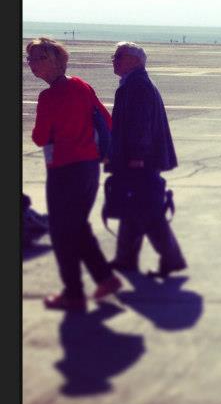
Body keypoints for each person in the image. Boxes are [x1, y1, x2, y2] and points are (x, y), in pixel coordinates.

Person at [26, 37, 123, 311]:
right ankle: (105, 278)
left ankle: (74, 294)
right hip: (88, 167)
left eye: (40, 58)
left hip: (64, 170)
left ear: (57, 60)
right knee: (77, 226)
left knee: (61, 233)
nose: (32, 64)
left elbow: (39, 137)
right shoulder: (81, 85)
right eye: (30, 59)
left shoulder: (48, 97)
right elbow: (107, 121)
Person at [106, 42, 187, 278]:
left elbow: (140, 124)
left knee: (148, 211)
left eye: (118, 56)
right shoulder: (134, 83)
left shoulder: (137, 85)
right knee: (132, 208)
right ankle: (126, 258)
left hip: (140, 160)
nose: (114, 60)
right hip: (137, 158)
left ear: (134, 60)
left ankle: (171, 259)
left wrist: (137, 156)